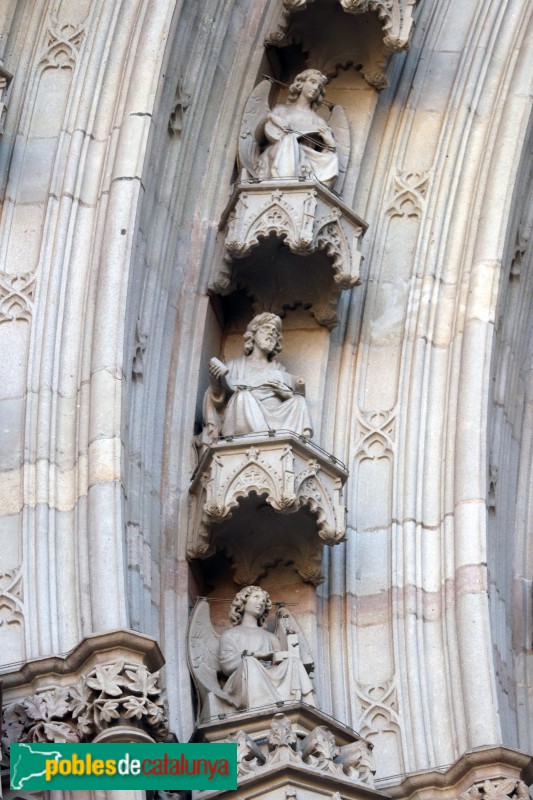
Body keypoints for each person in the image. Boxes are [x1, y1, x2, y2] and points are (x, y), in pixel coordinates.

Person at [201, 313, 313, 443]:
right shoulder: (235, 365)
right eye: (266, 328)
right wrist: (216, 384)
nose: (271, 334)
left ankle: (298, 443)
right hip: (246, 415)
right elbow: (218, 400)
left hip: (276, 416)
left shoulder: (279, 370)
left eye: (275, 332)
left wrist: (286, 395)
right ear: (253, 334)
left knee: (299, 400)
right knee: (244, 396)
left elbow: (293, 396)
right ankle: (256, 437)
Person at [218, 586, 315, 710]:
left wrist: (280, 656)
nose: (261, 603)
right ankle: (259, 706)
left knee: (293, 660)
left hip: (271, 675)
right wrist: (256, 655)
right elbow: (227, 665)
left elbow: (279, 662)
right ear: (243, 601)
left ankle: (308, 704)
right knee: (250, 662)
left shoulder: (270, 637)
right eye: (256, 597)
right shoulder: (230, 634)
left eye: (264, 601)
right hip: (242, 681)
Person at [256, 69, 338, 188]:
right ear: (301, 83)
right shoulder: (281, 110)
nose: (315, 88)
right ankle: (283, 183)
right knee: (289, 141)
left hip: (305, 160)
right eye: (312, 82)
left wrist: (331, 144)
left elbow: (321, 154)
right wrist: (270, 117)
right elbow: (258, 139)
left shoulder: (319, 122)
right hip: (276, 154)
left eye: (319, 87)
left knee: (332, 158)